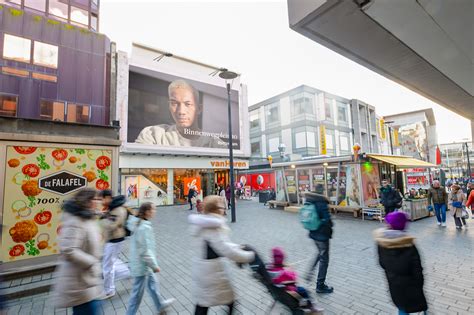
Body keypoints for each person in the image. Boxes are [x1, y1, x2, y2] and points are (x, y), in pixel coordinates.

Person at [188, 195, 255, 314]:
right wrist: (250, 256)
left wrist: (238, 247)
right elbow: (226, 250)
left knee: (203, 304)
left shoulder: (203, 224)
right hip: (213, 274)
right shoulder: (213, 227)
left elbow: (222, 245)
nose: (224, 209)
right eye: (222, 206)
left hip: (202, 271)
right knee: (230, 300)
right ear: (216, 209)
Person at [52, 189, 103, 315]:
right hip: (78, 280)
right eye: (95, 199)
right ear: (87, 201)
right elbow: (68, 250)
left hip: (87, 279)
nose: (98, 202)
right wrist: (91, 262)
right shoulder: (75, 221)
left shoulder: (88, 217)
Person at [135, 79, 224, 148]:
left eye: (187, 104)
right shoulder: (153, 135)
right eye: (174, 103)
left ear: (199, 109)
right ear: (169, 106)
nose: (181, 111)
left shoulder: (214, 143)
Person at [374, 212, 428, 315]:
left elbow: (382, 263)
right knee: (420, 305)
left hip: (394, 285)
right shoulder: (409, 245)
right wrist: (420, 284)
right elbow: (417, 268)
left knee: (402, 307)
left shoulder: (382, 243)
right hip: (412, 285)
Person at [126, 202, 175, 315]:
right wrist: (154, 266)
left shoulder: (139, 223)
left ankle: (160, 306)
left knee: (153, 285)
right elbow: (144, 251)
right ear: (147, 212)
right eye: (154, 210)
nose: (155, 212)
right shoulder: (143, 228)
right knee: (136, 295)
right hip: (142, 265)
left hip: (142, 263)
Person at [267, 247, 322, 312]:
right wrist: (289, 267)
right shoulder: (283, 273)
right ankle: (309, 306)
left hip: (276, 290)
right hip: (288, 291)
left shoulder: (269, 269)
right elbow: (294, 279)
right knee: (303, 290)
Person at [100, 195, 131, 299]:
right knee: (112, 262)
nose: (102, 201)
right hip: (114, 239)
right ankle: (128, 272)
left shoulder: (118, 210)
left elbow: (112, 225)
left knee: (107, 266)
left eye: (103, 198)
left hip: (115, 240)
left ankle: (109, 290)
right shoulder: (116, 209)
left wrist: (103, 219)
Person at [304, 192, 334, 294]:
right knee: (324, 260)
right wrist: (330, 226)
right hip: (322, 236)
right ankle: (320, 285)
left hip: (313, 234)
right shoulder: (322, 203)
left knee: (320, 253)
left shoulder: (309, 201)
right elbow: (327, 220)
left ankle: (309, 272)